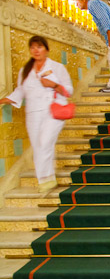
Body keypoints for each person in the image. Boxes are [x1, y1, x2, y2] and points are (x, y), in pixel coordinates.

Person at [0, 36, 73, 193]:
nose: (36, 50)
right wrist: (2, 100)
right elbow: (20, 92)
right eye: (32, 47)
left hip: (53, 112)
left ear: (46, 49)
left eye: (39, 47)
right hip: (33, 114)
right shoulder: (25, 71)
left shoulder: (57, 67)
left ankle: (46, 180)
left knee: (45, 142)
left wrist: (53, 84)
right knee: (38, 147)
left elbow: (69, 90)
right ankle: (46, 181)